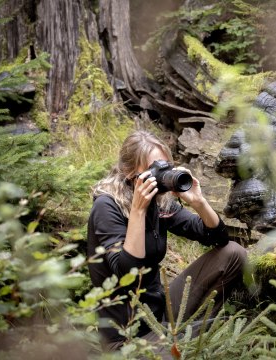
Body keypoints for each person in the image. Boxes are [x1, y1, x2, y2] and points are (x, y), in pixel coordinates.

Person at [86, 130, 247, 351]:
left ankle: (192, 333)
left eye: (165, 167)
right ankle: (186, 339)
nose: (161, 176)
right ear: (128, 171)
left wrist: (198, 202)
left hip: (160, 312)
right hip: (126, 336)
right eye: (154, 169)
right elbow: (129, 276)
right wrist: (137, 212)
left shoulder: (159, 202)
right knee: (175, 353)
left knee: (233, 254)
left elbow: (217, 238)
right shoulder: (106, 206)